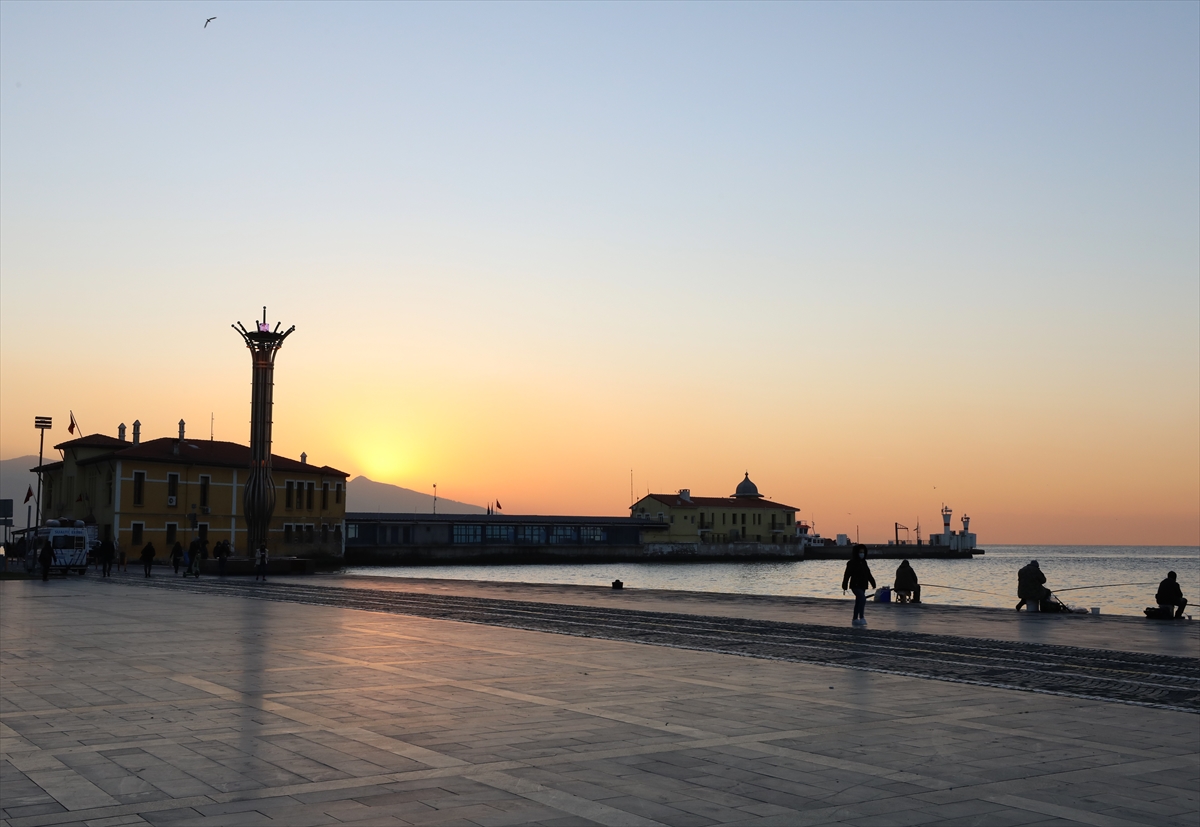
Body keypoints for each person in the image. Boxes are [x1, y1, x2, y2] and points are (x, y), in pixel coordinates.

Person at [841, 544, 876, 627]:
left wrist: (873, 582)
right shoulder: (851, 563)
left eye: (863, 552)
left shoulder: (864, 562)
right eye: (860, 552)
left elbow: (868, 574)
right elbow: (847, 574)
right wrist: (844, 585)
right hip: (855, 585)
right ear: (856, 552)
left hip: (863, 585)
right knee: (862, 599)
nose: (862, 554)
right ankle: (862, 617)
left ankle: (855, 619)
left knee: (858, 602)